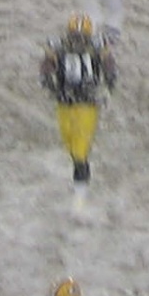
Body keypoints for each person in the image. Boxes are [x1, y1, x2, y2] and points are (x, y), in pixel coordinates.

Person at [40, 18, 117, 198]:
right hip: (64, 101)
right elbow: (47, 66)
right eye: (75, 36)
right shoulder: (58, 48)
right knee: (69, 142)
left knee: (80, 148)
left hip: (87, 101)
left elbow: (109, 66)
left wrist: (109, 84)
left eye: (82, 37)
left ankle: (80, 195)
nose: (78, 41)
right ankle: (81, 183)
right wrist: (48, 80)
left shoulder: (98, 47)